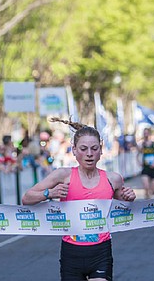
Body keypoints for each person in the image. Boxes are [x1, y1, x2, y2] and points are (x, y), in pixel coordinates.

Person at [22, 118, 136, 281]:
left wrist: (129, 197)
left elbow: (123, 204)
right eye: (83, 149)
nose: (89, 154)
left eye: (94, 148)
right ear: (74, 150)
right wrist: (50, 193)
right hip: (71, 253)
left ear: (101, 150)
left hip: (101, 252)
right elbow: (26, 198)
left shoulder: (113, 179)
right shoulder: (63, 175)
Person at [136, 127, 154, 199]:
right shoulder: (142, 145)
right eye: (144, 133)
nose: (146, 135)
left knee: (153, 190)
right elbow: (138, 155)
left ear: (150, 134)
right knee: (146, 187)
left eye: (147, 133)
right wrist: (139, 162)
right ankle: (147, 203)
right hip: (145, 168)